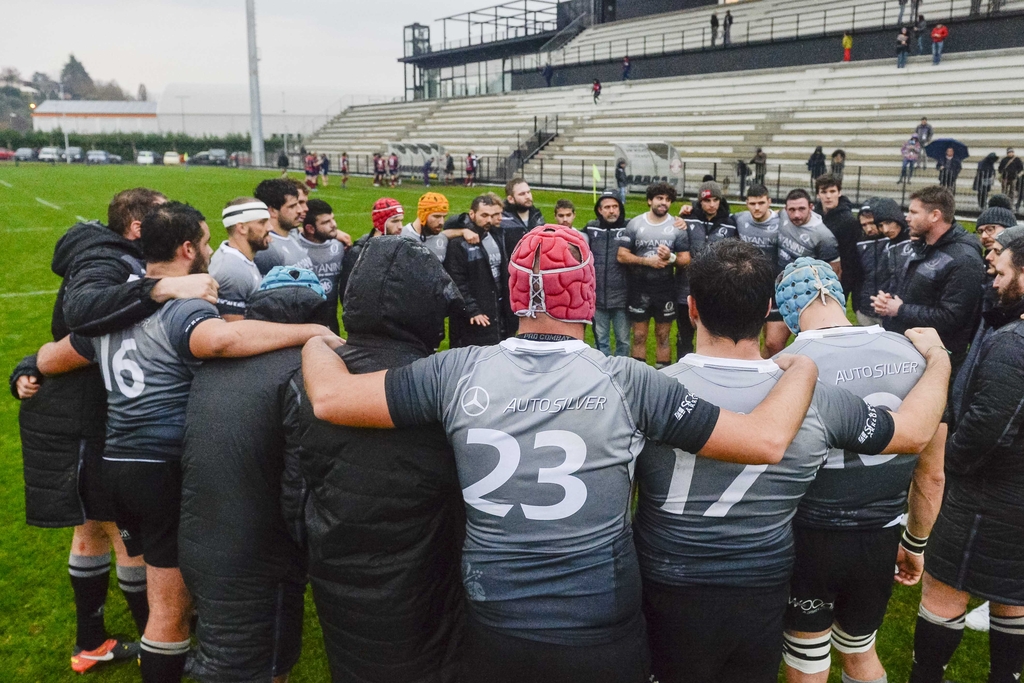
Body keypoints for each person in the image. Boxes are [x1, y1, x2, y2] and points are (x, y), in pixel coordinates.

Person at [301, 223, 823, 683]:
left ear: (512, 295)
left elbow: (330, 398)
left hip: (494, 620)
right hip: (599, 624)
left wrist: (312, 341)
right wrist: (803, 367)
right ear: (587, 296)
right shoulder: (627, 380)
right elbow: (764, 441)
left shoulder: (455, 370)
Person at [34, 202, 332, 683]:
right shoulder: (184, 304)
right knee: (172, 608)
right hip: (164, 466)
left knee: (158, 581)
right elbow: (218, 341)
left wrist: (29, 366)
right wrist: (313, 331)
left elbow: (53, 357)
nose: (212, 251)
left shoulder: (120, 301)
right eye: (208, 242)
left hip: (118, 464)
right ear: (187, 248)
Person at [636, 248, 948, 683]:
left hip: (675, 578)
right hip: (772, 576)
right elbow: (916, 436)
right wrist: (940, 359)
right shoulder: (809, 393)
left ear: (691, 308)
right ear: (767, 309)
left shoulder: (644, 389)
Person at [8, 188, 215, 674]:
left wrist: (28, 363)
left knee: (102, 532)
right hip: (97, 425)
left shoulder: (116, 261)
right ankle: (152, 637)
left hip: (97, 420)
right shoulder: (106, 260)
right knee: (125, 540)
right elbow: (81, 315)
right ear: (141, 228)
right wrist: (159, 289)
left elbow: (72, 335)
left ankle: (100, 639)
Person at [297, 236, 466, 683]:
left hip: (338, 566)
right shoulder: (440, 389)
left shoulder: (308, 379)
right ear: (428, 306)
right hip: (422, 577)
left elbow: (294, 489)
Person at [775, 261, 950, 683]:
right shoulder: (914, 352)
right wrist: (916, 542)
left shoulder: (787, 364)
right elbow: (933, 475)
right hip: (881, 534)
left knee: (807, 658)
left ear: (785, 307)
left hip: (812, 536)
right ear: (837, 295)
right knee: (859, 650)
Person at [179, 269, 332, 683]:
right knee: (257, 668)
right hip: (259, 553)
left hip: (200, 536)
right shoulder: (301, 374)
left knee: (225, 654)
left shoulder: (210, 369)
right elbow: (297, 488)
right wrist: (312, 550)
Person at [908, 236, 1024, 683]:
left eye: (1000, 274)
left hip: (985, 501)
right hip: (1012, 497)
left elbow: (986, 429)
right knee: (1013, 591)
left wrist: (947, 461)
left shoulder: (1014, 344)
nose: (991, 282)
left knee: (943, 593)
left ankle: (927, 674)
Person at [871, 186, 985, 393]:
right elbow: (917, 291)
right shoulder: (925, 246)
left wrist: (900, 309)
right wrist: (889, 302)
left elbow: (953, 317)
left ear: (935, 216)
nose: (907, 218)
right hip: (909, 351)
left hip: (935, 360)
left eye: (914, 212)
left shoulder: (964, 259)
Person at [618, 182, 689, 368]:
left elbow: (685, 260)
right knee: (639, 336)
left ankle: (662, 378)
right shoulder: (635, 224)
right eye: (659, 198)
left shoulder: (677, 226)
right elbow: (621, 255)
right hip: (639, 286)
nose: (663, 203)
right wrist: (646, 261)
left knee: (663, 336)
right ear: (650, 200)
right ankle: (638, 378)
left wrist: (671, 257)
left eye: (667, 199)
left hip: (665, 287)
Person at [767, 188, 840, 355]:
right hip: (778, 288)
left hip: (803, 296)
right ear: (786, 209)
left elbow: (834, 272)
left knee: (804, 346)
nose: (797, 215)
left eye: (802, 209)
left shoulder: (823, 235)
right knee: (772, 344)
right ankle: (768, 374)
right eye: (792, 210)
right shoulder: (783, 217)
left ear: (811, 207)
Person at [677, 180, 736, 358]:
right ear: (700, 202)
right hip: (685, 289)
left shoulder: (731, 224)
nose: (711, 205)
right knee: (684, 337)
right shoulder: (687, 219)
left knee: (714, 336)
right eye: (707, 201)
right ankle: (682, 370)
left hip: (717, 290)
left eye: (715, 200)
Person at [445, 195, 507, 348]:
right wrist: (472, 310)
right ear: (472, 214)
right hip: (473, 318)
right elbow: (457, 282)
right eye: (484, 215)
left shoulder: (496, 236)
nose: (489, 220)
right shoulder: (458, 244)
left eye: (492, 216)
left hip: (496, 312)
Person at [733, 183, 781, 353]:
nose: (757, 207)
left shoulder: (781, 222)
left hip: (775, 287)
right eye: (752, 204)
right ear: (746, 203)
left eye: (761, 203)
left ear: (769, 201)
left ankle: (768, 373)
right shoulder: (740, 219)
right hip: (749, 286)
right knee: (747, 338)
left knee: (772, 343)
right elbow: (719, 215)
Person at [583, 190, 631, 357]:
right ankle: (603, 374)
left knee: (623, 340)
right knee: (601, 340)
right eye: (607, 207)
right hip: (597, 298)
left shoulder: (630, 227)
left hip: (622, 298)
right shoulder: (590, 228)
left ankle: (622, 373)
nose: (612, 211)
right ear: (599, 210)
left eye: (615, 206)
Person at [208, 198, 272, 320]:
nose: (270, 228)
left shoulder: (240, 259)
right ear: (241, 228)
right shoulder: (233, 272)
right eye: (262, 222)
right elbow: (234, 331)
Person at [293, 199, 345, 332]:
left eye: (332, 219)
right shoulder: (294, 246)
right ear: (310, 228)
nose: (334, 225)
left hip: (331, 317)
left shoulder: (339, 246)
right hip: (302, 319)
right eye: (326, 222)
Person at [855, 197, 908, 327]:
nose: (868, 229)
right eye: (864, 225)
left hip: (889, 310)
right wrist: (857, 305)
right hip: (865, 310)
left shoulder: (897, 242)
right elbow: (856, 276)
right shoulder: (859, 243)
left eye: (871, 223)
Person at [338, 198, 404, 297]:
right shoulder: (358, 252)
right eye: (395, 221)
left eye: (401, 221)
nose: (400, 226)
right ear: (381, 223)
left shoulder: (401, 249)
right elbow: (346, 293)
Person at [814, 173, 861, 302]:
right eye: (824, 192)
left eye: (832, 191)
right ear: (818, 194)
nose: (828, 196)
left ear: (839, 193)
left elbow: (851, 258)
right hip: (813, 276)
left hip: (837, 281)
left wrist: (843, 287)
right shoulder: (813, 215)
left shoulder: (848, 221)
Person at [403, 192, 480, 263]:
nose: (441, 222)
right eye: (436, 216)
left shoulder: (442, 239)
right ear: (422, 215)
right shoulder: (401, 236)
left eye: (444, 217)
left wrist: (464, 231)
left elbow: (443, 235)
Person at [253, 179, 309, 275]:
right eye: (292, 206)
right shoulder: (268, 249)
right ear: (272, 211)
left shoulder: (291, 234)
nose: (300, 210)